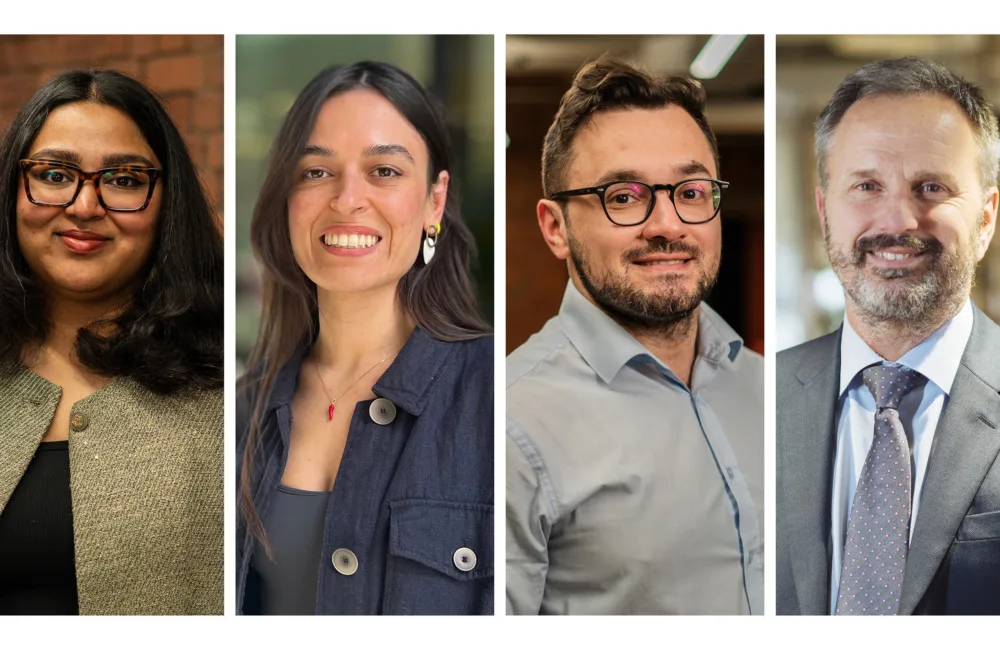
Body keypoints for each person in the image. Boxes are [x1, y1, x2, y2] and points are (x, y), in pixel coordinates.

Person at [506, 57, 764, 615]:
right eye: (623, 197)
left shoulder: (772, 391)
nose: (668, 225)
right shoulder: (509, 426)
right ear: (556, 229)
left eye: (691, 192)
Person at [235, 61, 494, 616]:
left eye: (384, 171)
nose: (347, 199)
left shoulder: (499, 396)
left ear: (435, 201)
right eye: (315, 172)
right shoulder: (241, 412)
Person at [776, 57, 1000, 616]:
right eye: (866, 186)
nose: (898, 219)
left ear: (987, 218)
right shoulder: (757, 400)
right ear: (825, 209)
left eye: (931, 186)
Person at [0, 69, 224, 615]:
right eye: (54, 174)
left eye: (124, 180)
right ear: (13, 188)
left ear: (166, 204)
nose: (83, 206)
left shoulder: (226, 390)